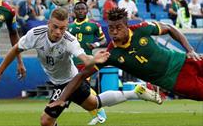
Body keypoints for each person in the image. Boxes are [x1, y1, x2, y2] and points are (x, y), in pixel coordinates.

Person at [0, 7, 162, 126]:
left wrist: (94, 60)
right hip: (58, 81)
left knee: (46, 120)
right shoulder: (35, 34)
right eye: (55, 27)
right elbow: (16, 48)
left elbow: (84, 59)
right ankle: (135, 92)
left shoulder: (69, 40)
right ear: (49, 23)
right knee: (94, 104)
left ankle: (135, 93)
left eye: (62, 28)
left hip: (70, 81)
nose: (58, 32)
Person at [48, 7, 203, 110]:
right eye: (111, 28)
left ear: (126, 26)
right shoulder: (109, 55)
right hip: (172, 80)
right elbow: (80, 76)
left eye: (118, 28)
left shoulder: (142, 29)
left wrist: (190, 50)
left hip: (182, 60)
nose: (114, 32)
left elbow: (170, 28)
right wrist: (62, 99)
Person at [69, 2, 108, 125]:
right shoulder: (69, 26)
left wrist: (95, 44)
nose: (80, 11)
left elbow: (104, 40)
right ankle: (97, 113)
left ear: (87, 11)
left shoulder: (94, 25)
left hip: (86, 61)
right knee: (77, 90)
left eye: (83, 8)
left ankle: (100, 113)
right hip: (71, 62)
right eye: (78, 9)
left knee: (83, 87)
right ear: (74, 11)